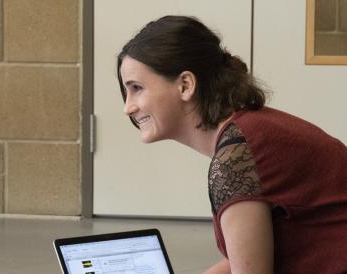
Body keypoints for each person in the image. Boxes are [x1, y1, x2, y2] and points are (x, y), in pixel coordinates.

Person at [116, 15, 347, 274]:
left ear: (185, 85)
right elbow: (248, 256)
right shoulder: (251, 130)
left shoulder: (236, 157)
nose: (128, 107)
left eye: (137, 88)